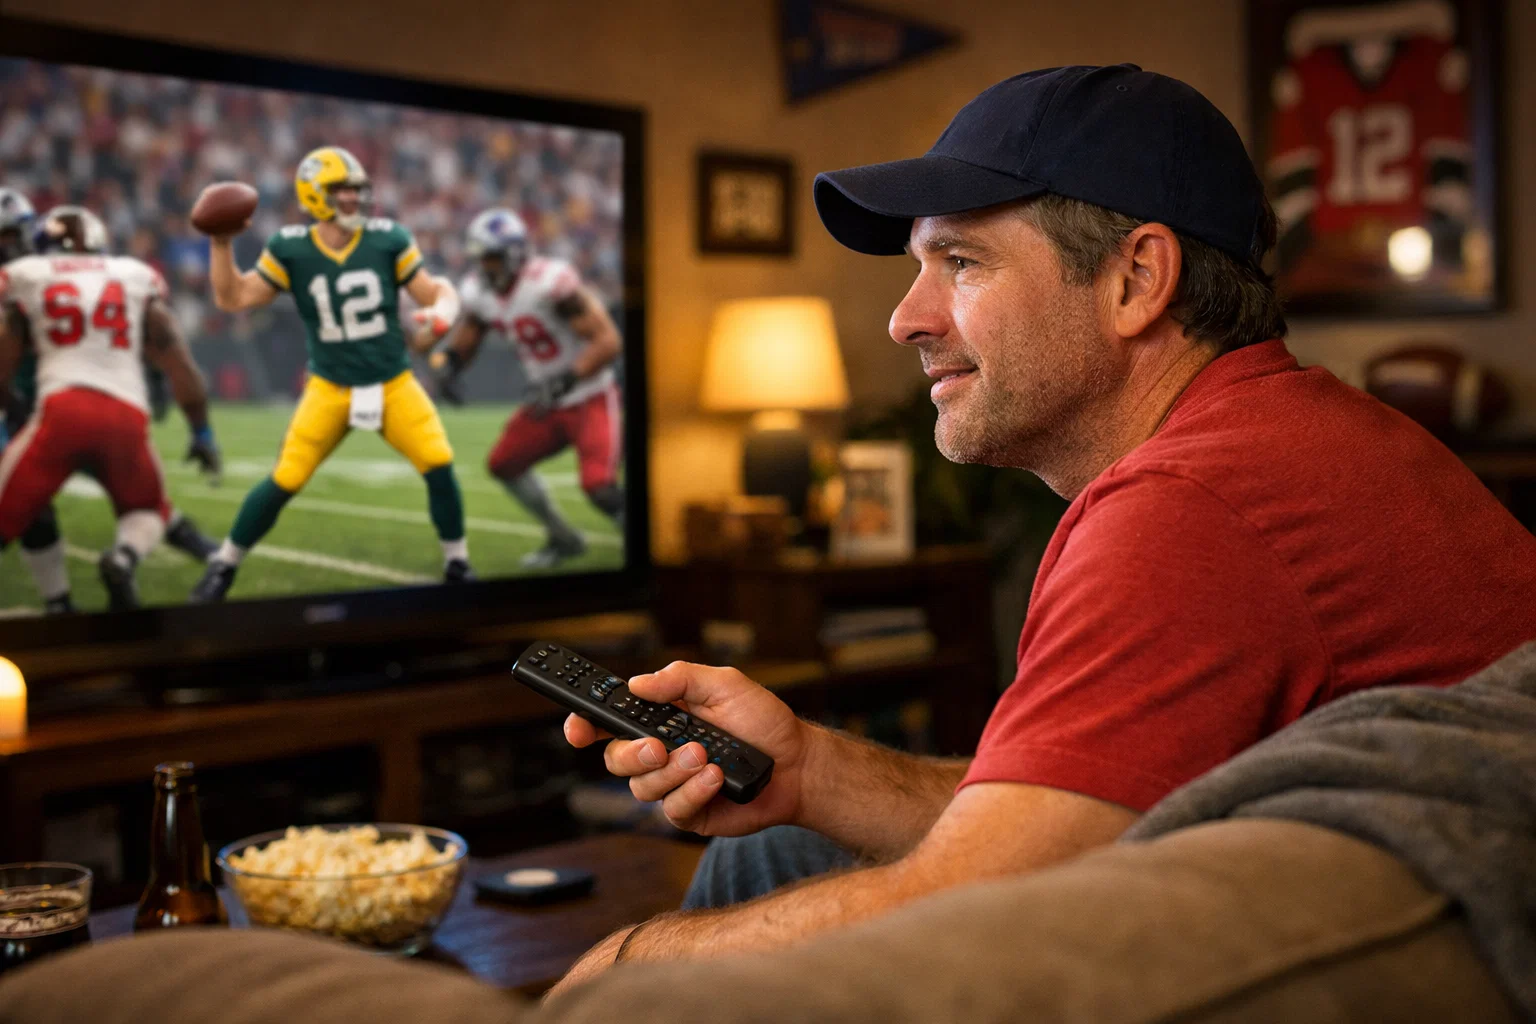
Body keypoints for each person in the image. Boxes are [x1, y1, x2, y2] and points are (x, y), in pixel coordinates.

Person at [548, 64, 1536, 993]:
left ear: (1136, 280)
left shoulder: (1190, 509)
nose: (905, 318)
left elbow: (972, 908)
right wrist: (812, 767)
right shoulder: (1296, 432)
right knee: (775, 837)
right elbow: (1071, 820)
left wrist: (628, 969)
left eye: (961, 261)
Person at [189, 146, 473, 602]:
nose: (353, 200)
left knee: (439, 465)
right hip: (330, 387)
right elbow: (234, 298)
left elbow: (428, 292)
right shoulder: (291, 247)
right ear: (316, 196)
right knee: (285, 480)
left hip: (392, 382)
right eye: (343, 191)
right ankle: (223, 565)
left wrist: (441, 310)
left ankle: (458, 563)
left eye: (357, 191)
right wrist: (220, 244)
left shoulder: (387, 238)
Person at [0, 205, 221, 610]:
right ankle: (123, 557)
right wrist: (201, 431)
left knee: (14, 512)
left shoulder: (26, 277)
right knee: (146, 509)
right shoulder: (133, 274)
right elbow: (179, 359)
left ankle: (58, 603)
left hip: (59, 409)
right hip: (124, 413)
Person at [431, 208, 624, 569]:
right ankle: (563, 539)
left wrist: (565, 379)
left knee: (600, 487)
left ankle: (643, 552)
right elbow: (472, 332)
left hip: (589, 396)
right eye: (479, 259)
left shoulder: (550, 283)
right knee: (504, 463)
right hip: (546, 402)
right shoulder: (479, 291)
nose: (483, 267)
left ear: (514, 254)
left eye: (490, 258)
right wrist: (451, 366)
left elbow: (609, 341)